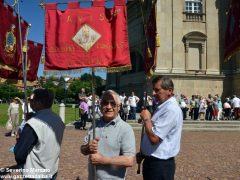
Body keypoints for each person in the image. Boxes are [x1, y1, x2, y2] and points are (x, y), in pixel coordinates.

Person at [81, 90, 136, 180]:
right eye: (105, 103)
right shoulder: (95, 125)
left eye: (113, 104)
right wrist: (87, 148)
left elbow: (129, 160)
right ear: (100, 105)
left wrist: (102, 160)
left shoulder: (126, 129)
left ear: (119, 107)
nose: (108, 107)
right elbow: (82, 149)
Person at [137, 76, 183, 180]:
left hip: (160, 165)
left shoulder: (171, 110)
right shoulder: (163, 106)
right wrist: (144, 153)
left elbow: (154, 139)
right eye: (153, 90)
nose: (153, 93)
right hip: (152, 161)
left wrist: (147, 119)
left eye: (157, 90)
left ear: (169, 91)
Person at [14, 88, 65, 179]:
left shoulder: (33, 124)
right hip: (52, 168)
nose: (30, 102)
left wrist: (19, 137)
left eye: (32, 100)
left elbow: (19, 154)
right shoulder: (58, 119)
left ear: (39, 102)